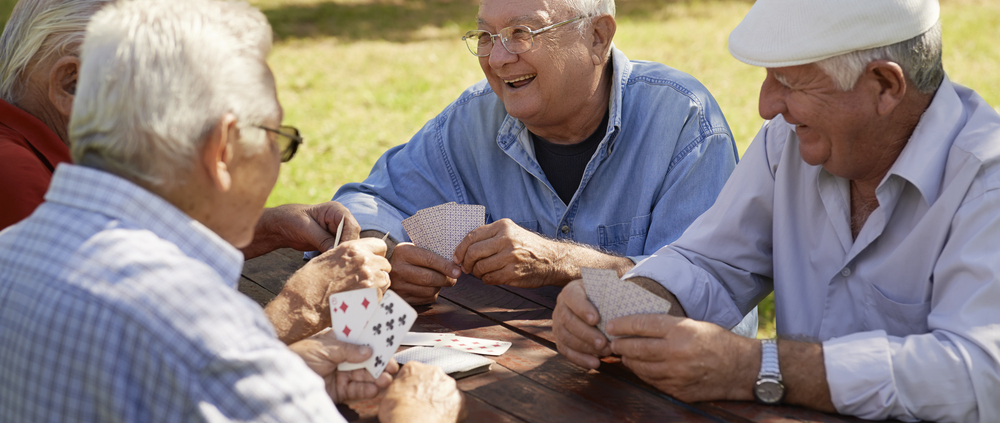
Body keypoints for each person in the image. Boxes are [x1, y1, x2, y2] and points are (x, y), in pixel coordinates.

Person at [0, 1, 464, 421]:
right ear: (222, 148)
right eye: (276, 139)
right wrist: (417, 410)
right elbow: (200, 359)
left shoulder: (12, 249)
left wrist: (288, 369)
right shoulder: (203, 323)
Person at [553, 0, 1000, 421]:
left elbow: (979, 372)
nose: (767, 106)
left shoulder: (986, 179)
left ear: (884, 85)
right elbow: (710, 264)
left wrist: (758, 366)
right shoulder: (787, 141)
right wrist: (612, 304)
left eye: (789, 82)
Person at [330, 0, 757, 336]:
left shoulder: (682, 119)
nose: (497, 59)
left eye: (522, 33)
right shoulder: (474, 119)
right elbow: (368, 201)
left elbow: (711, 305)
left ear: (597, 37)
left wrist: (565, 264)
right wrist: (380, 252)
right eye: (485, 35)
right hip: (513, 386)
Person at [0, 0, 372, 345]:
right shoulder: (16, 176)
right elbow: (128, 361)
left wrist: (266, 228)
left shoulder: (52, 161)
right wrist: (299, 308)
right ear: (72, 85)